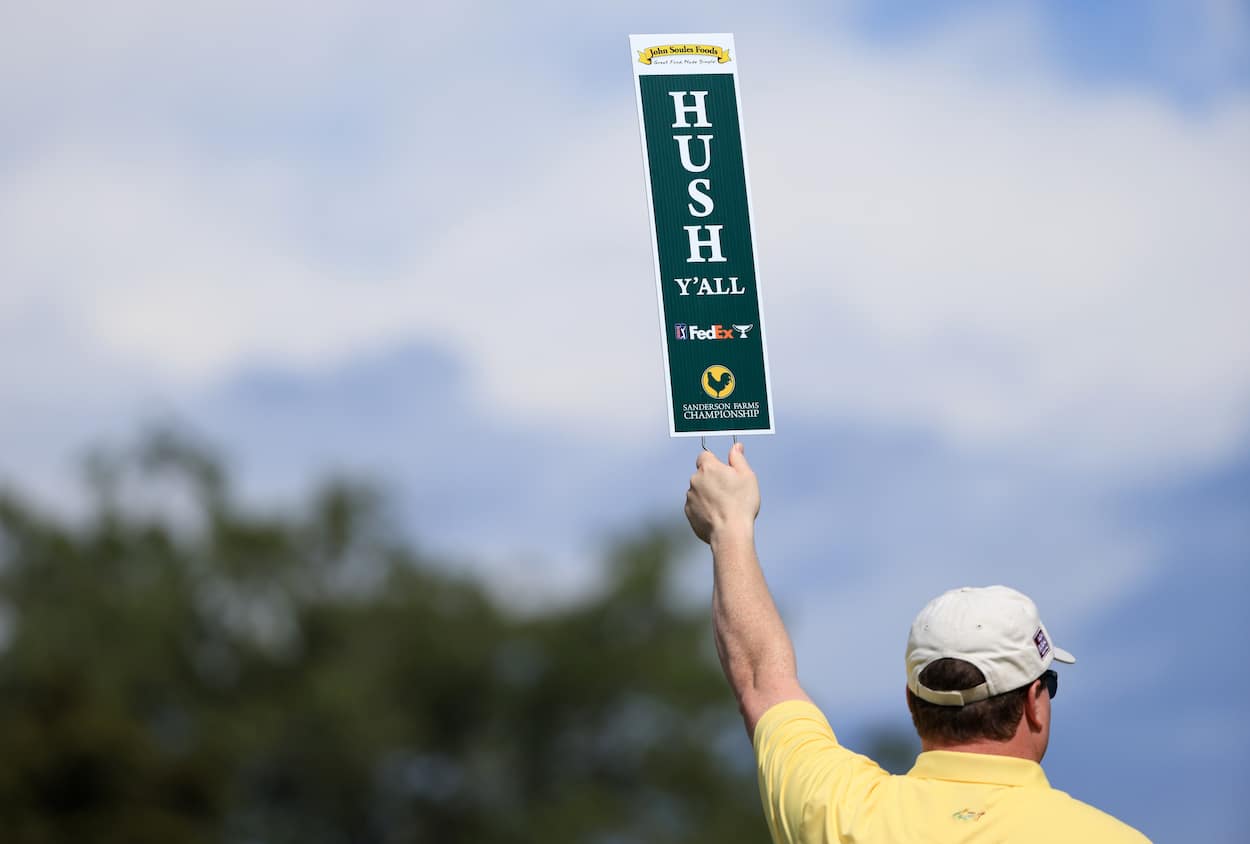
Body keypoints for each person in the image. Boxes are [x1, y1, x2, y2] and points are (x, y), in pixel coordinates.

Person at [684, 443, 1150, 843]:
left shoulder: (842, 813)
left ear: (912, 702)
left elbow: (763, 678)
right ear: (1034, 702)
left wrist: (730, 525)